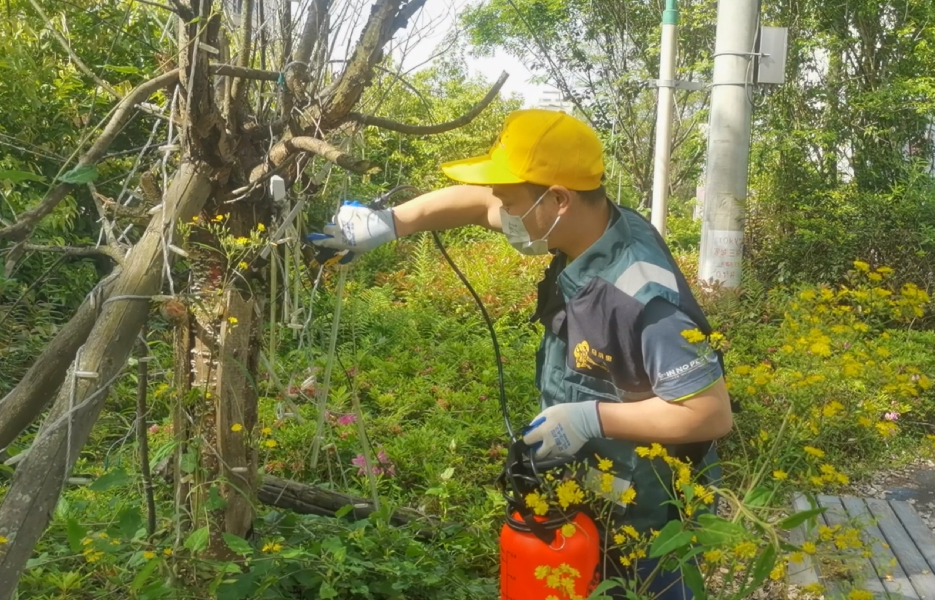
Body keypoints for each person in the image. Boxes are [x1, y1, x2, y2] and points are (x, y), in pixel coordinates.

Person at [308, 109, 733, 599]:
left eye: (510, 201)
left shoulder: (642, 295)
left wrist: (588, 419)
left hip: (653, 515)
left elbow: (709, 413)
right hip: (591, 488)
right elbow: (475, 204)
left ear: (557, 200)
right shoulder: (584, 229)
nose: (500, 213)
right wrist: (387, 223)